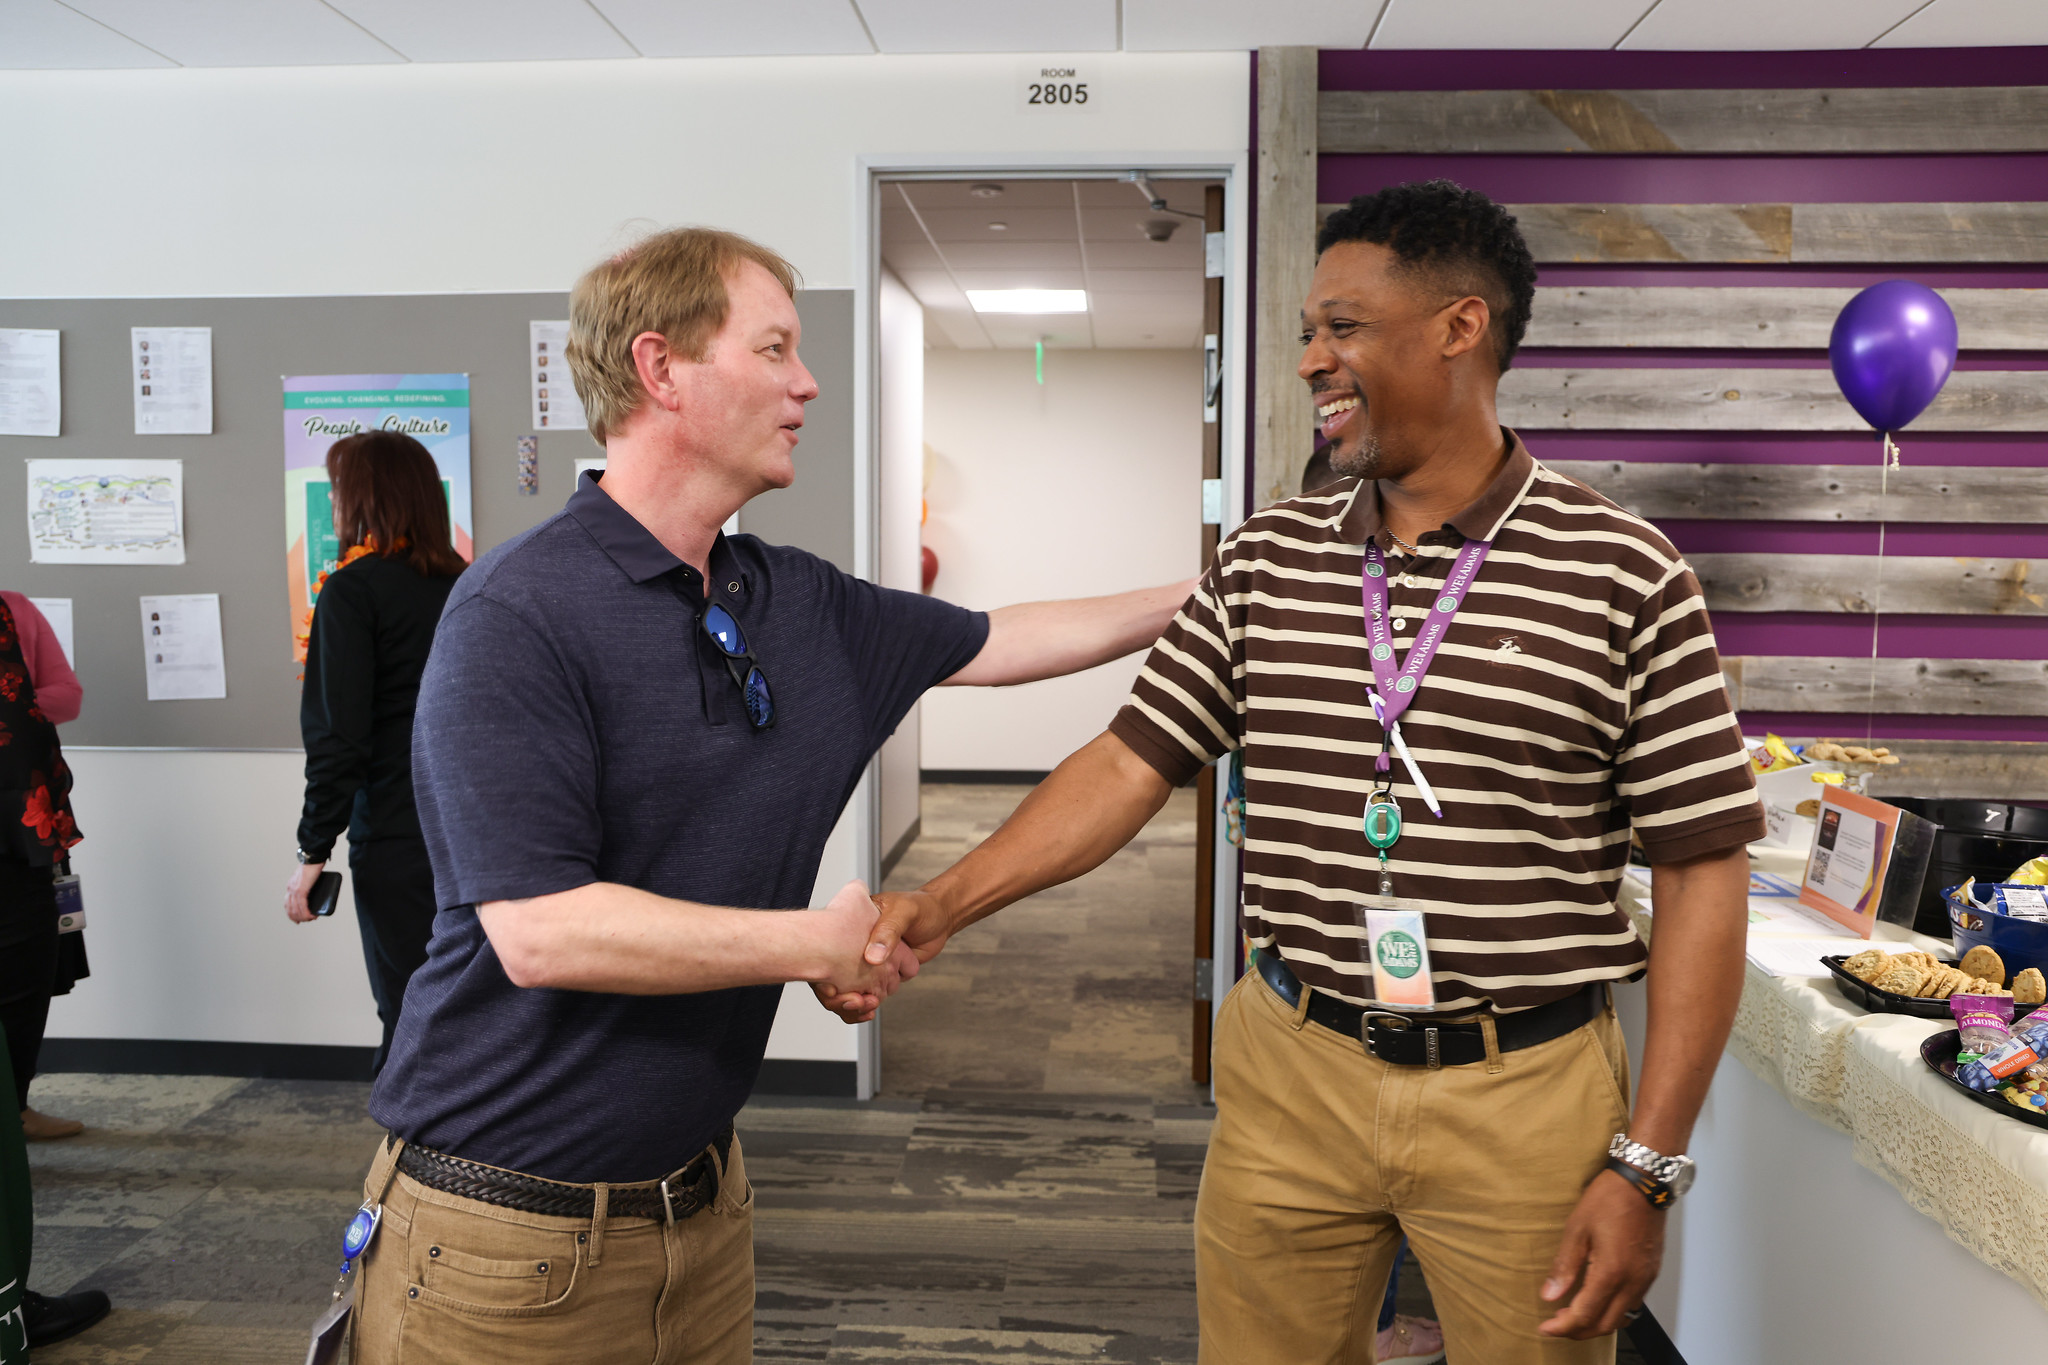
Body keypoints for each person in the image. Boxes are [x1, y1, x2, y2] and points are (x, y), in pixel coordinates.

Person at [855, 180, 1761, 1363]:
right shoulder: (1266, 558)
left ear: (1456, 327)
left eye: (1340, 328)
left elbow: (1702, 874)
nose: (1307, 362)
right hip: (1292, 1065)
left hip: (1521, 1087)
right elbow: (1130, 762)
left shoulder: (1622, 573)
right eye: (1303, 333)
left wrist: (1644, 1165)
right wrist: (937, 904)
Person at [343, 226, 1193, 1364]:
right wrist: (811, 942)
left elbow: (1004, 637)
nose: (808, 383)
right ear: (659, 370)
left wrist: (1230, 580)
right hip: (503, 1231)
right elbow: (540, 932)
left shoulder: (786, 595)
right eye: (775, 348)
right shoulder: (518, 611)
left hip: (699, 1205)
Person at [283, 431, 466, 1077]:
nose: (334, 503)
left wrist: (313, 851)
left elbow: (340, 739)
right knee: (476, 1005)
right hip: (484, 834)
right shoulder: (472, 586)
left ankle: (417, 1166)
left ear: (362, 496)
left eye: (337, 489)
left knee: (409, 1005)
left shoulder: (353, 592)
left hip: (397, 832)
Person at [0, 593, 84, 1143]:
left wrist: (20, 704)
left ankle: (17, 1105)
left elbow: (65, 696)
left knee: (26, 964)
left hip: (16, 815)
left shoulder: (15, 609)